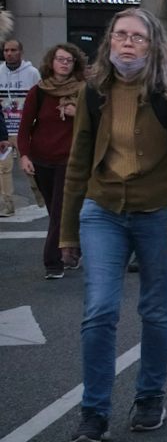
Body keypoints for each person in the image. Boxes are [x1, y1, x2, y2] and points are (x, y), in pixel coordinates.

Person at [60, 8, 167, 442]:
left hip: (158, 211)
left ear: (152, 44)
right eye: (120, 35)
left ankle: (149, 397)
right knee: (99, 309)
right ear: (109, 41)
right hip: (103, 210)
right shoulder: (94, 90)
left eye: (137, 38)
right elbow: (78, 160)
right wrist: (66, 233)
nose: (127, 43)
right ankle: (94, 413)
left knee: (155, 311)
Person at [19, 43, 87, 279]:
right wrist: (25, 155)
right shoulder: (39, 91)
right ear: (51, 62)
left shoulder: (83, 91)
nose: (64, 63)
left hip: (70, 160)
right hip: (41, 159)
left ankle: (53, 262)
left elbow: (98, 121)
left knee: (60, 211)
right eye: (60, 59)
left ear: (75, 64)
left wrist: (77, 112)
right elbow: (25, 126)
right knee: (56, 212)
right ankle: (73, 249)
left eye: (69, 60)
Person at [0, 34, 40, 216]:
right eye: (6, 50)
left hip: (25, 129)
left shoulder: (32, 73)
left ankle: (42, 198)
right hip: (5, 129)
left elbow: (39, 99)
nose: (9, 54)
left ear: (21, 52)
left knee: (31, 169)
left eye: (13, 50)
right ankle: (8, 205)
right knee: (3, 170)